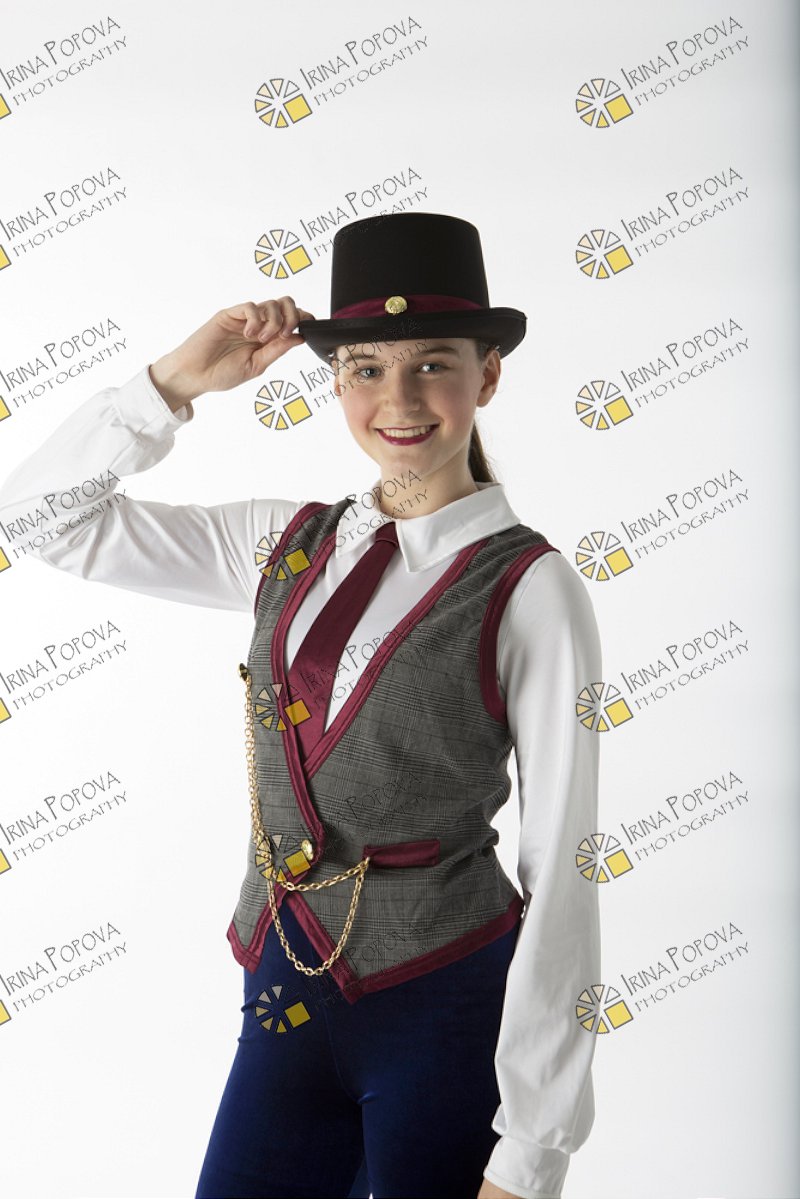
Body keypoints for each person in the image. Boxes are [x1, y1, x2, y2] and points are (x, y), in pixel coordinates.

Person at [0, 212, 602, 1199]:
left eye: (433, 364)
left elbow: (564, 860)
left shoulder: (531, 586)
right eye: (364, 368)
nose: (397, 399)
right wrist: (170, 386)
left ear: (487, 375)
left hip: (445, 1006)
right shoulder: (283, 543)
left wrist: (532, 1149)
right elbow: (38, 519)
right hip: (281, 994)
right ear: (332, 381)